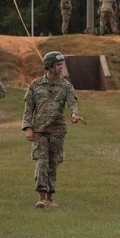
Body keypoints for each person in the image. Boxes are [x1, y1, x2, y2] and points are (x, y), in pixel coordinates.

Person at [22, 51, 79, 208]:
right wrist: (28, 128)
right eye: (58, 64)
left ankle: (50, 197)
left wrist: (74, 113)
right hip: (39, 130)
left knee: (54, 162)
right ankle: (41, 197)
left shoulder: (66, 86)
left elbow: (72, 102)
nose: (61, 67)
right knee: (42, 162)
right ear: (49, 66)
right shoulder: (35, 85)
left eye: (62, 64)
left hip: (57, 130)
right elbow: (28, 108)